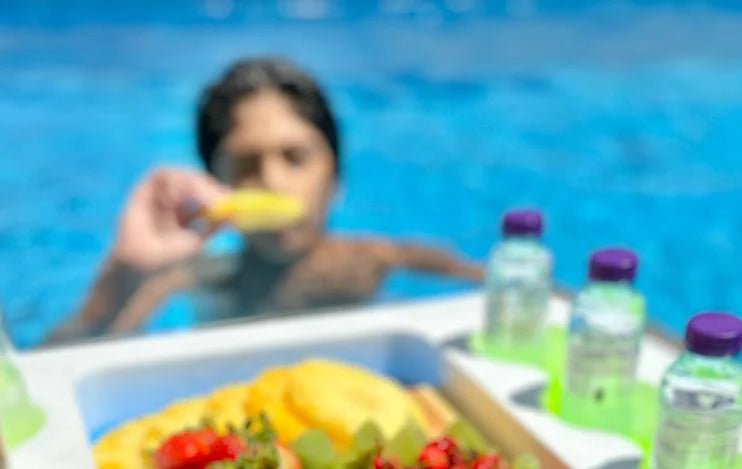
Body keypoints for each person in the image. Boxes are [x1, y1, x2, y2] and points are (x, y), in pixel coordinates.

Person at [47, 57, 483, 343]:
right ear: (214, 187)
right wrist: (122, 271)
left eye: (295, 158)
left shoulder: (381, 258)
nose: (272, 181)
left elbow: (533, 299)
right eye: (246, 164)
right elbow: (49, 372)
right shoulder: (186, 279)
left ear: (336, 181)